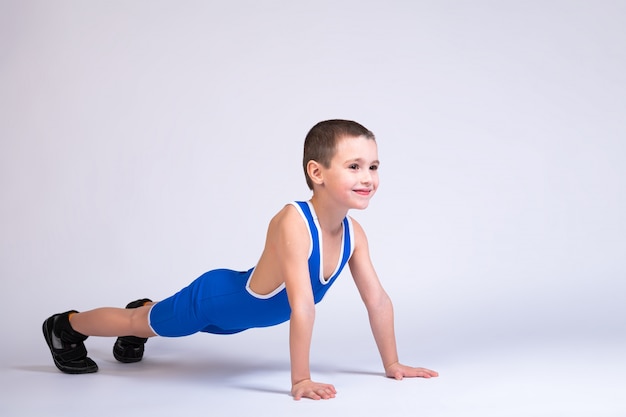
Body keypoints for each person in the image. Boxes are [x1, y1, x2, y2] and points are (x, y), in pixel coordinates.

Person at [42, 119, 438, 400]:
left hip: (241, 320)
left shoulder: (354, 236)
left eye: (373, 166)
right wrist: (301, 379)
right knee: (142, 323)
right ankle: (66, 326)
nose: (368, 177)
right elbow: (301, 305)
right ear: (316, 172)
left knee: (154, 319)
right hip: (216, 300)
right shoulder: (294, 222)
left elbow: (378, 300)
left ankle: (144, 315)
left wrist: (393, 363)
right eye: (354, 167)